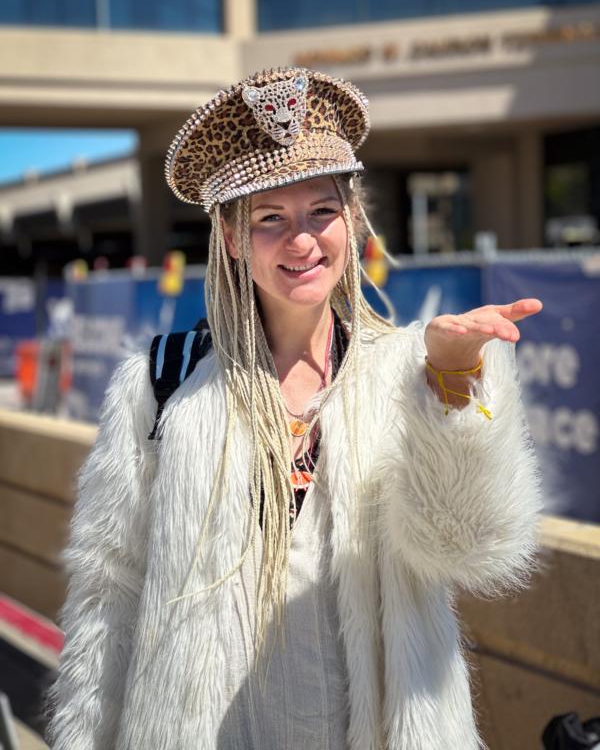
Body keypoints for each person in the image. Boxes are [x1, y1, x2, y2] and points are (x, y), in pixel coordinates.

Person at [46, 67, 543, 750]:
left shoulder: (413, 371)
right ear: (229, 236)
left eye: (321, 213)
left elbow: (471, 549)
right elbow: (108, 595)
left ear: (354, 218)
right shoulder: (160, 383)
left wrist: (454, 387)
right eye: (270, 219)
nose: (302, 242)